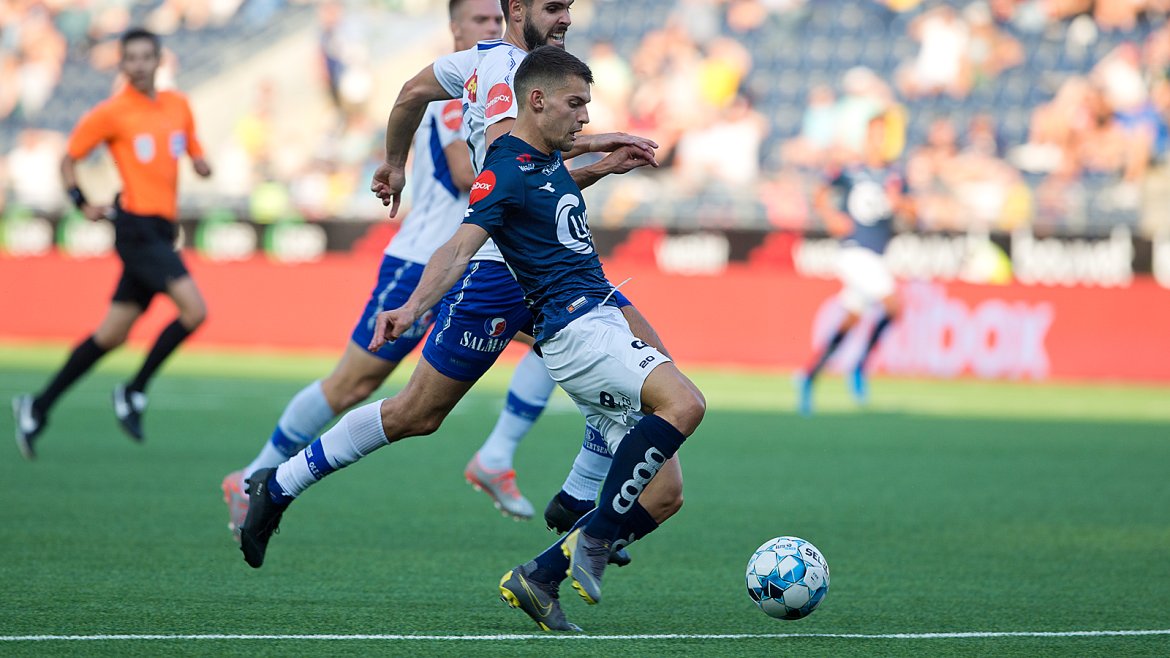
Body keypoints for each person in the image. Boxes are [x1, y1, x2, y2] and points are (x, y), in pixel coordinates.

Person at [236, 0, 661, 571]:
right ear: (517, 11)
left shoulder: (481, 66)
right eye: (553, 8)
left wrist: (393, 162)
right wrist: (598, 144)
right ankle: (278, 481)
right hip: (497, 267)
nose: (565, 19)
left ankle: (577, 496)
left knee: (642, 361)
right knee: (415, 412)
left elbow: (412, 92)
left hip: (551, 268)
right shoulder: (513, 76)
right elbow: (517, 172)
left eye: (568, 8)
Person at [376, 46, 704, 631]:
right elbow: (458, 248)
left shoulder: (543, 162)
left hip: (596, 319)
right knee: (685, 403)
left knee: (663, 494)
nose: (584, 119)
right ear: (537, 100)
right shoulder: (503, 167)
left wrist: (602, 163)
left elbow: (552, 192)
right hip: (576, 325)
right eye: (575, 105)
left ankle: (542, 576)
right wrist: (412, 306)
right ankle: (594, 534)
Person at [220, 0, 515, 539]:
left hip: (477, 261)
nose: (490, 29)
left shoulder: (502, 87)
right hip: (423, 261)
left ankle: (506, 456)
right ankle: (252, 479)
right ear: (454, 28)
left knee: (564, 326)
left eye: (495, 21)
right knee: (353, 384)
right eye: (480, 21)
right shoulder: (460, 92)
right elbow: (461, 174)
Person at [11, 28, 211, 459]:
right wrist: (82, 201)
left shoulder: (179, 106)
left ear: (159, 61)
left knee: (111, 334)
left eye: (146, 57)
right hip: (134, 227)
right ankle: (134, 392)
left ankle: (37, 406)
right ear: (122, 64)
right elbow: (69, 158)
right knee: (195, 311)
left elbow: (193, 150)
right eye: (131, 58)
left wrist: (200, 162)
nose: (139, 64)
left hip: (160, 230)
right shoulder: (112, 112)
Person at [796, 114, 914, 415]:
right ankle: (860, 367)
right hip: (852, 253)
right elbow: (820, 192)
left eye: (883, 134)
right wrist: (830, 216)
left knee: (851, 320)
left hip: (877, 256)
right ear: (866, 137)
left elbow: (913, 212)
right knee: (893, 305)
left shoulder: (895, 175)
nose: (878, 140)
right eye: (874, 134)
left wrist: (900, 204)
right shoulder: (851, 171)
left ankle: (809, 377)